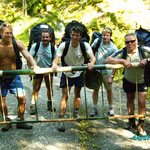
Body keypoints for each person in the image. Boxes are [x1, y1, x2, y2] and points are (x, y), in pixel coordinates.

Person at [105, 33, 150, 136]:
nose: (130, 44)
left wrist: (147, 60)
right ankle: (131, 121)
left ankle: (141, 126)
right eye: (127, 42)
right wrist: (122, 61)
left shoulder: (143, 50)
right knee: (130, 100)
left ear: (136, 41)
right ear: (125, 43)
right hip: (128, 80)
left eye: (132, 41)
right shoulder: (123, 51)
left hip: (142, 80)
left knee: (141, 102)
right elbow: (107, 59)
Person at [52, 26, 96, 132]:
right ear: (70, 35)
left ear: (80, 36)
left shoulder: (84, 45)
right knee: (65, 95)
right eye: (73, 35)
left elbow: (92, 57)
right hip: (67, 73)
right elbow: (56, 59)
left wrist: (92, 63)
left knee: (77, 93)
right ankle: (61, 119)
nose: (75, 37)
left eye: (77, 35)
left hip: (79, 73)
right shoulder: (64, 45)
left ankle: (76, 112)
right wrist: (54, 65)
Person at [0, 22, 38, 131]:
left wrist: (34, 66)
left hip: (14, 76)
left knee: (22, 98)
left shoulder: (16, 43)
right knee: (1, 100)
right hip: (1, 77)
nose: (9, 35)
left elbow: (28, 56)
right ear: (1, 33)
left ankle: (20, 120)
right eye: (7, 33)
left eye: (11, 33)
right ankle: (6, 120)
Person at [90, 27, 118, 117]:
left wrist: (112, 76)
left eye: (107, 35)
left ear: (110, 36)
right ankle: (94, 108)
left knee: (109, 90)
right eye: (103, 35)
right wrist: (91, 60)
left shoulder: (113, 48)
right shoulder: (97, 41)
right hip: (97, 71)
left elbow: (116, 62)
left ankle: (110, 108)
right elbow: (91, 50)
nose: (105, 37)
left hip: (107, 72)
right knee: (95, 89)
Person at [29, 30, 57, 115]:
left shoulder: (53, 48)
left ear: (50, 38)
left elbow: (56, 59)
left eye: (47, 37)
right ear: (41, 38)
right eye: (43, 37)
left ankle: (50, 103)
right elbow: (29, 58)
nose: (45, 39)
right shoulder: (36, 46)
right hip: (38, 70)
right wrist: (31, 69)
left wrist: (53, 67)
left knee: (49, 87)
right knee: (36, 88)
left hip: (48, 70)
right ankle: (33, 105)